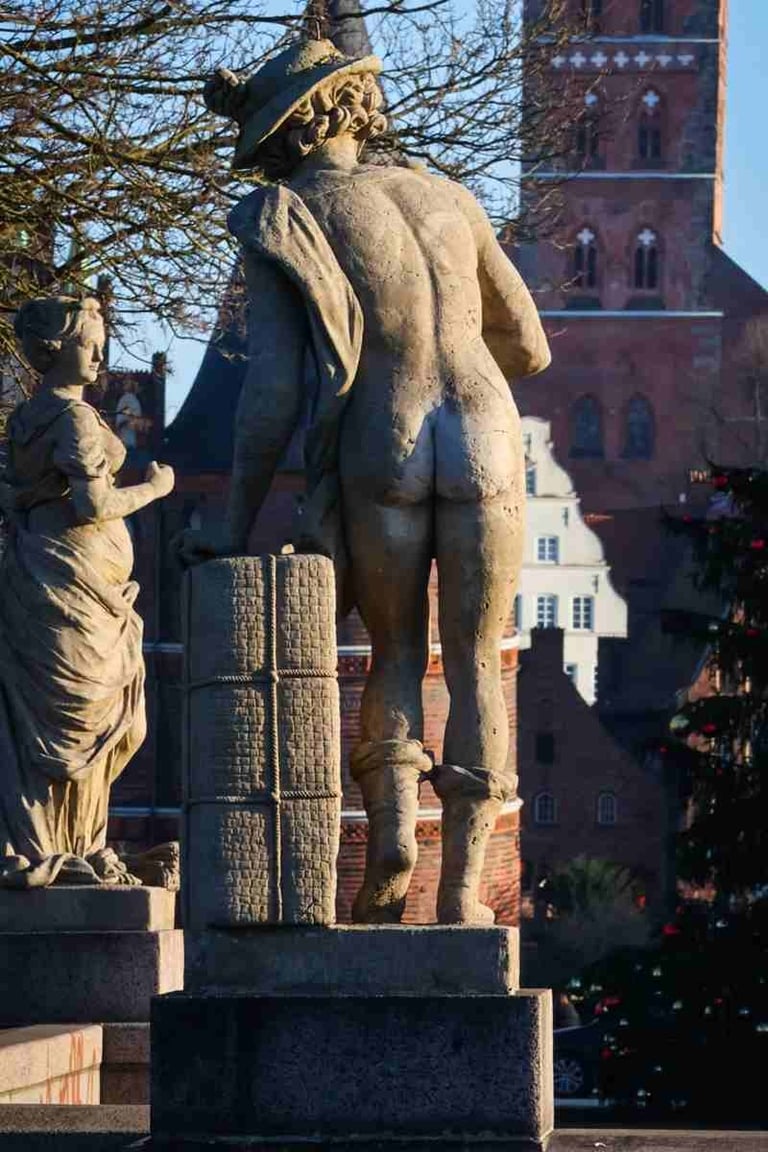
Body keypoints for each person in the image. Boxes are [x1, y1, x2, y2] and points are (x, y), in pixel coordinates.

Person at [180, 38, 550, 923]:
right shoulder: (450, 197)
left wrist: (232, 526)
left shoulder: (284, 215)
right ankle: (462, 891)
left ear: (281, 137)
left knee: (395, 652)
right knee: (475, 662)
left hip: (386, 429)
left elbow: (272, 391)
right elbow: (530, 346)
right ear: (355, 107)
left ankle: (391, 844)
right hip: (488, 429)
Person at [0, 296, 174, 887]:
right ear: (55, 349)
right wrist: (155, 489)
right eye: (88, 344)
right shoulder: (73, 419)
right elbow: (93, 505)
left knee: (55, 719)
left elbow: (11, 494)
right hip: (75, 586)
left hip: (44, 575)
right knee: (85, 717)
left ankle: (65, 843)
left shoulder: (25, 418)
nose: (99, 356)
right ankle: (66, 845)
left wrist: (33, 510)